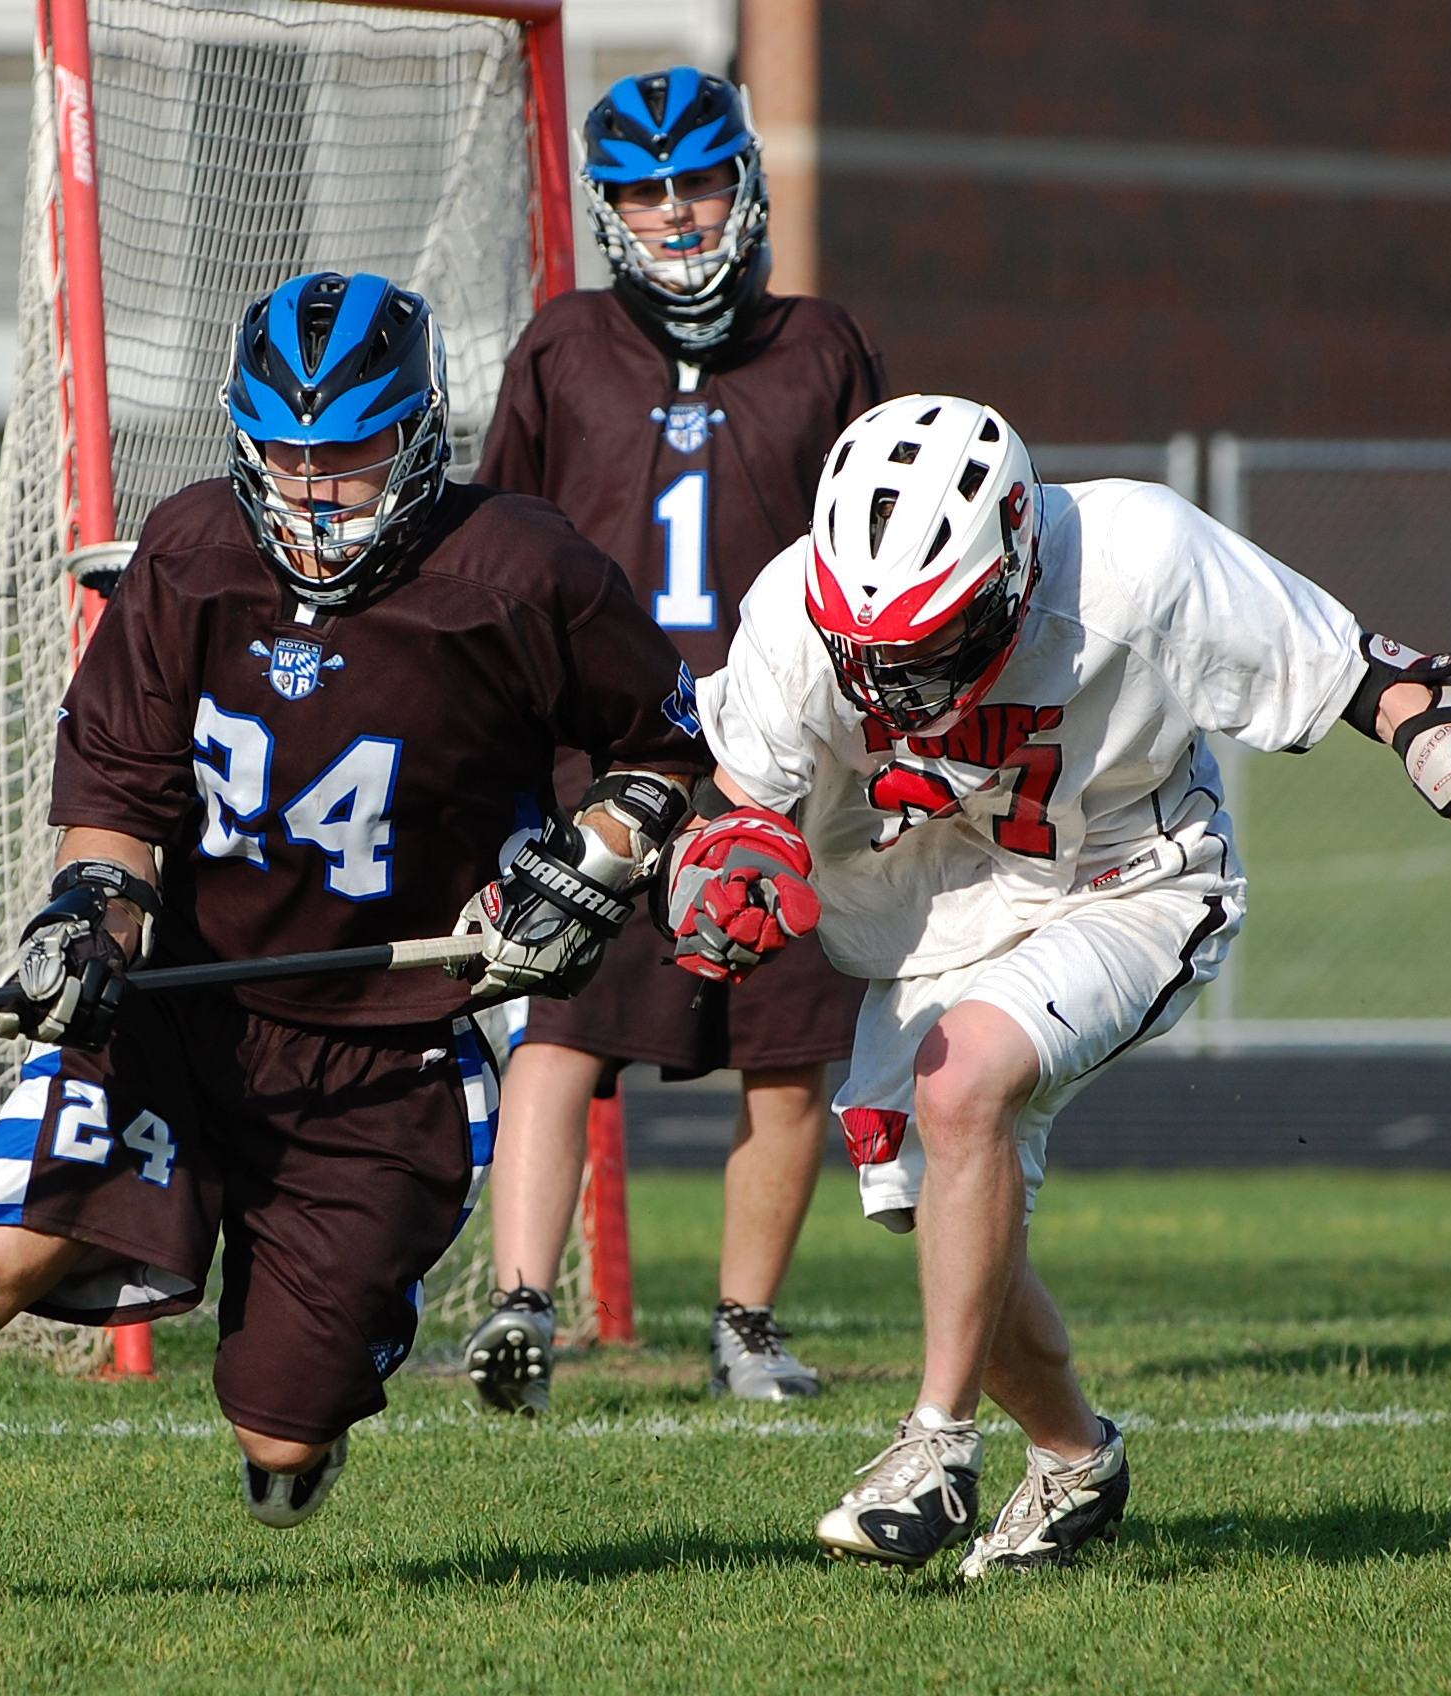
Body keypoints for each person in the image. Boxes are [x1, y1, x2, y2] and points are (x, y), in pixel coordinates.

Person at [0, 271, 708, 1616]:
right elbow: (119, 804)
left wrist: (595, 868)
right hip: (181, 1015)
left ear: (421, 435)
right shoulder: (194, 553)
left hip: (382, 1053)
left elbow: (663, 745)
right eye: (286, 456)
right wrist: (89, 919)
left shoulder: (520, 572)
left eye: (351, 457)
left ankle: (315, 1367)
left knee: (281, 1431)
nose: (316, 492)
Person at [669, 392, 1451, 1575]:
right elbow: (734, 797)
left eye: (932, 643)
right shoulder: (790, 611)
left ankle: (935, 1447)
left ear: (1016, 564)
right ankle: (1074, 1460)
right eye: (873, 653)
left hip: (1130, 881)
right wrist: (721, 860)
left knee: (960, 1088)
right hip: (936, 920)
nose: (899, 685)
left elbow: (1379, 682)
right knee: (948, 1213)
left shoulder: (1142, 560)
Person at [466, 67, 884, 1412]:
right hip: (609, 753)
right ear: (606, 207)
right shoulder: (565, 344)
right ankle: (522, 1310)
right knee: (563, 1024)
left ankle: (745, 1327)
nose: (674, 211)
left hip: (785, 755)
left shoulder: (823, 348)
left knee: (788, 1053)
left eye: (697, 180)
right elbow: (491, 557)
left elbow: (877, 547)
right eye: (643, 190)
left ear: (746, 184)